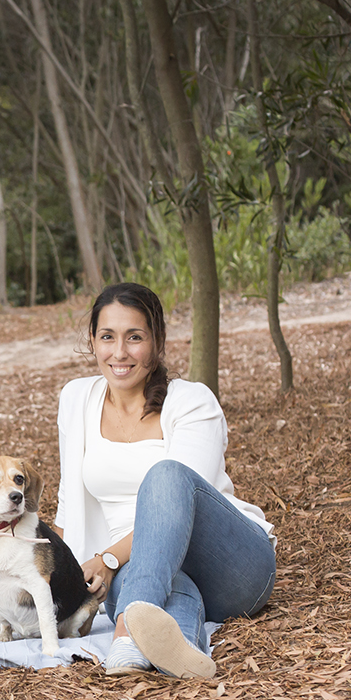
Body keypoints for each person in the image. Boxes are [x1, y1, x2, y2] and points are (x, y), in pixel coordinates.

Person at [55, 283, 276, 678]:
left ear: (157, 342)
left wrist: (107, 559)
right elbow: (69, 507)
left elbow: (182, 499)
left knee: (167, 475)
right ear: (92, 341)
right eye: (107, 337)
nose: (119, 353)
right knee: (149, 587)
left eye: (134, 337)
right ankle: (183, 653)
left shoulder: (192, 401)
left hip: (230, 564)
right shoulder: (76, 399)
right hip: (145, 572)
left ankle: (125, 633)